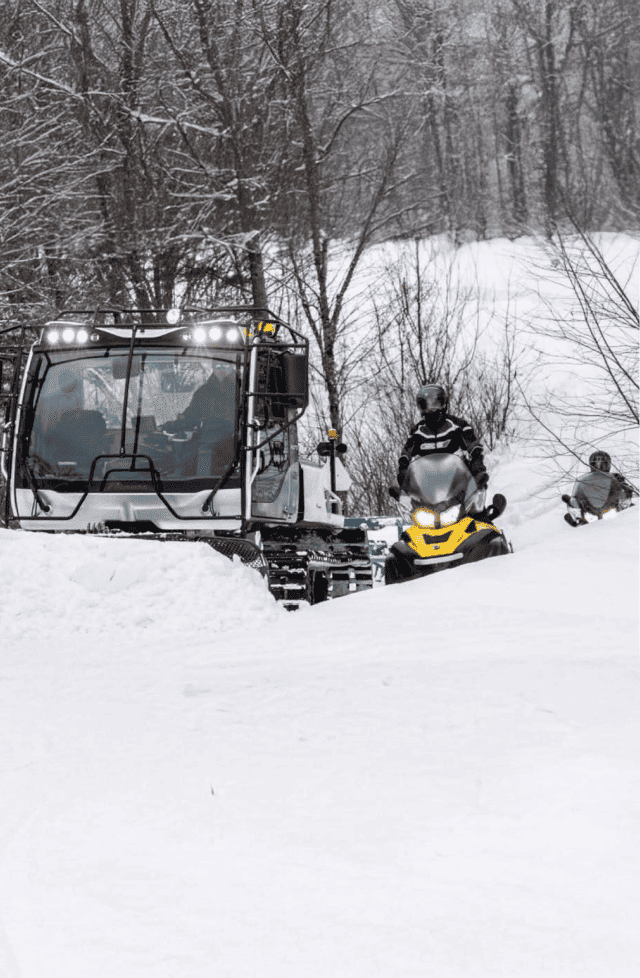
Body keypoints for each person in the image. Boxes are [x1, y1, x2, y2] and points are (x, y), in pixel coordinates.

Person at [397, 384, 488, 489]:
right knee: (413, 502)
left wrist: (477, 468)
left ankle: (482, 504)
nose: (431, 409)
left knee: (475, 495)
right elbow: (405, 455)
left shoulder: (458, 426)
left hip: (458, 483)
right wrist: (403, 472)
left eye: (435, 404)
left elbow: (474, 447)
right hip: (428, 486)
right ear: (421, 407)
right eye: (425, 405)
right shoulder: (417, 432)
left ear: (443, 404)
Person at [562, 451, 635, 525]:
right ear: (591, 465)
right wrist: (573, 503)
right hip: (592, 513)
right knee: (578, 521)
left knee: (632, 510)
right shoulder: (586, 482)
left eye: (603, 464)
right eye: (595, 464)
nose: (599, 466)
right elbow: (578, 495)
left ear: (608, 465)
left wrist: (627, 490)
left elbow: (623, 488)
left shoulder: (616, 477)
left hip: (611, 509)